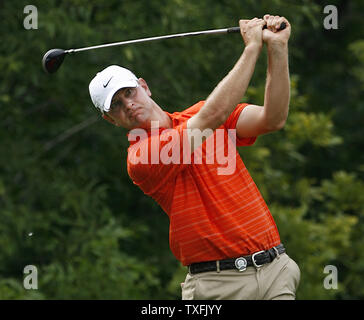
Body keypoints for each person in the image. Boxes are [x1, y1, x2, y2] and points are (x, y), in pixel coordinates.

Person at [88, 15, 300, 300]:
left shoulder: (200, 113)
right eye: (116, 104)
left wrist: (276, 48)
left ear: (144, 86)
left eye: (129, 92)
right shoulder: (140, 158)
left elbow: (272, 118)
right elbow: (211, 117)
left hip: (275, 270)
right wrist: (251, 49)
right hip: (217, 286)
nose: (128, 104)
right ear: (110, 120)